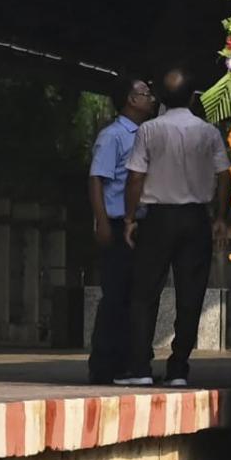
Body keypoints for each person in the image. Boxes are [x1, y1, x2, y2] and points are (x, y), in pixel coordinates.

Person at [118, 69, 230, 388]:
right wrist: (220, 217)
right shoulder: (208, 132)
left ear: (161, 100)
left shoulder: (149, 131)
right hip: (195, 219)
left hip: (157, 219)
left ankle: (140, 367)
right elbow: (224, 175)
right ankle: (179, 368)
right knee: (190, 294)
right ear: (194, 98)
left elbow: (136, 176)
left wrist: (129, 218)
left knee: (144, 293)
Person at [85, 77, 156, 384]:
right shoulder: (113, 136)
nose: (151, 99)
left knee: (135, 295)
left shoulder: (147, 134)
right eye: (146, 94)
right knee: (115, 295)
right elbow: (97, 179)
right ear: (131, 99)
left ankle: (130, 361)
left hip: (139, 224)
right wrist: (101, 220)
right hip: (116, 223)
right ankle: (103, 364)